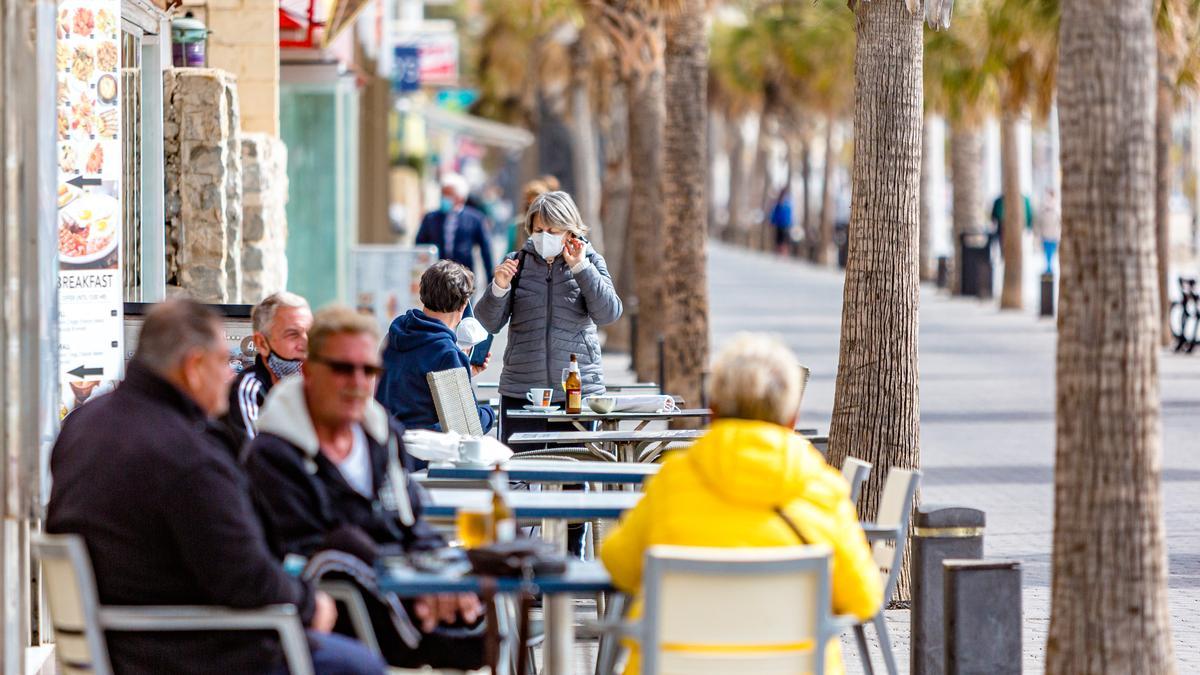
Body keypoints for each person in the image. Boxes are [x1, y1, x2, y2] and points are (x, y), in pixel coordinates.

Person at [46, 298, 383, 675]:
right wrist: (310, 603)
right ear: (193, 367)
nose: (230, 375)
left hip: (123, 641)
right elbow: (246, 577)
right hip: (189, 649)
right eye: (222, 362)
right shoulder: (185, 455)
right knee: (359, 663)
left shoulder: (82, 426)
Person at [600, 334, 883, 675]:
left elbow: (619, 565)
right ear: (792, 419)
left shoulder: (673, 481)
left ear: (714, 411)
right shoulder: (823, 491)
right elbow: (863, 598)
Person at [246, 306, 485, 670]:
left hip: (405, 591)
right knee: (344, 546)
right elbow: (310, 550)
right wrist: (417, 585)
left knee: (489, 601)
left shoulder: (381, 433)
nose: (357, 382)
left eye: (368, 370)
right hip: (331, 607)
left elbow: (413, 519)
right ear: (309, 371)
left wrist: (442, 577)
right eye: (343, 369)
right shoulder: (275, 452)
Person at [475, 190, 623, 442]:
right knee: (521, 475)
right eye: (539, 230)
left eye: (553, 231)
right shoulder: (515, 263)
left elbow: (608, 313)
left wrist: (581, 268)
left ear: (570, 231)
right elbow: (487, 323)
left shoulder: (590, 261)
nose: (545, 237)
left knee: (573, 474)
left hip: (577, 393)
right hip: (523, 391)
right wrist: (499, 287)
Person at [375, 260, 496, 440]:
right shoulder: (446, 352)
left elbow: (411, 385)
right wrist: (491, 413)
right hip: (424, 453)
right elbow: (467, 427)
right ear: (463, 305)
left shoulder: (395, 333)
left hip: (389, 442)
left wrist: (465, 373)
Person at [225, 291, 313, 440]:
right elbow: (254, 457)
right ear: (262, 343)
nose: (305, 344)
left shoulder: (317, 386)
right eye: (293, 334)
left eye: (310, 334)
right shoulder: (249, 389)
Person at [416, 173, 495, 283]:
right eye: (442, 194)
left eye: (448, 194)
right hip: (436, 278)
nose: (444, 198)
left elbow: (486, 250)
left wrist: (490, 280)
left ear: (460, 197)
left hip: (464, 277)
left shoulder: (475, 218)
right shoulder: (430, 218)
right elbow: (419, 246)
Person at [507, 175, 560, 254]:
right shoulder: (518, 226)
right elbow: (509, 252)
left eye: (538, 206)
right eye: (531, 204)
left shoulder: (555, 226)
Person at [1036, 187, 1061, 274]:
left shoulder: (1056, 209)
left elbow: (1059, 223)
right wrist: (1039, 235)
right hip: (1045, 235)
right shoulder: (1042, 209)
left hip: (1054, 235)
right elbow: (1039, 223)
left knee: (1050, 253)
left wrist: (1058, 234)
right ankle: (1048, 268)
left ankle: (1049, 269)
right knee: (1047, 253)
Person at [770, 187, 794, 256]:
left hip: (785, 224)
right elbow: (774, 213)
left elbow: (789, 214)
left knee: (784, 240)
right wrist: (772, 220)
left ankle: (784, 254)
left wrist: (790, 222)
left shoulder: (787, 202)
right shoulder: (778, 203)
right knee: (778, 240)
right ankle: (778, 253)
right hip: (779, 224)